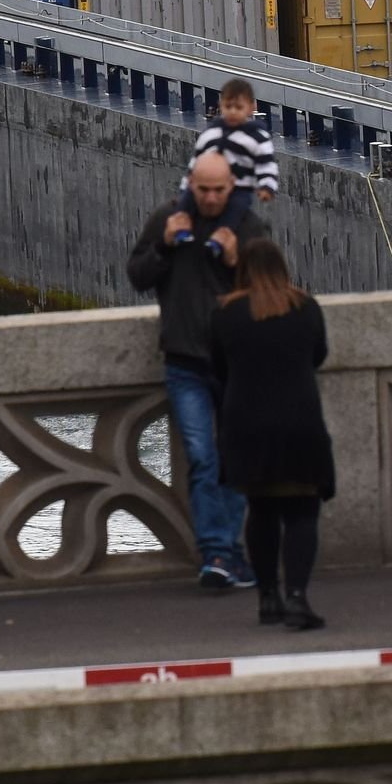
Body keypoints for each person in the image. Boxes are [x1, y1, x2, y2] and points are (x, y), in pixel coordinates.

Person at [127, 156, 258, 594]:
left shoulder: (247, 226)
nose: (211, 198)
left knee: (235, 462)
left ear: (231, 186)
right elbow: (137, 275)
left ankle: (231, 553)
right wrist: (164, 245)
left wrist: (236, 261)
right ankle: (217, 554)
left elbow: (268, 290)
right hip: (185, 362)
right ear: (190, 185)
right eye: (204, 190)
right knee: (203, 459)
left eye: (219, 190)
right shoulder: (168, 219)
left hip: (237, 364)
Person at [209, 233, 335, 632]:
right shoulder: (305, 307)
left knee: (260, 511)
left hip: (246, 426)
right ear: (282, 269)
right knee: (302, 512)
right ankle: (297, 596)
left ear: (243, 271)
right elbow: (318, 355)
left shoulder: (226, 313)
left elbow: (217, 367)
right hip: (299, 423)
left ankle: (267, 598)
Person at [195, 76, 282, 200]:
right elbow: (195, 164)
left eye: (239, 107)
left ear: (251, 108)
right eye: (228, 106)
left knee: (236, 207)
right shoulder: (210, 134)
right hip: (208, 189)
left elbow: (266, 165)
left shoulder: (257, 137)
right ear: (221, 105)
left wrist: (267, 187)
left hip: (238, 192)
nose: (233, 111)